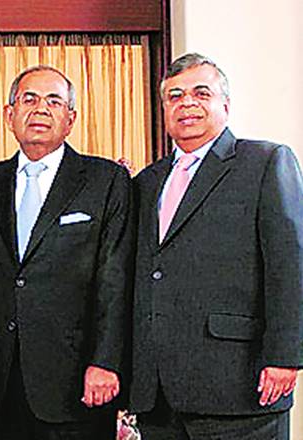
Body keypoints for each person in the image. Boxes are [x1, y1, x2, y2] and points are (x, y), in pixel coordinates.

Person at [130, 52, 303, 439]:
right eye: (175, 96)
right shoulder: (146, 181)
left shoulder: (265, 161)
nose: (186, 103)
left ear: (225, 104)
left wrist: (285, 356)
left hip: (239, 385)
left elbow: (290, 265)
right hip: (158, 395)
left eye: (200, 93)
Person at [0, 65, 133, 440]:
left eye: (54, 101)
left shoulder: (105, 181)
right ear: (9, 114)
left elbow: (116, 279)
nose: (40, 108)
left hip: (78, 381)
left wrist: (106, 361)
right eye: (29, 99)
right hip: (0, 386)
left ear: (70, 119)